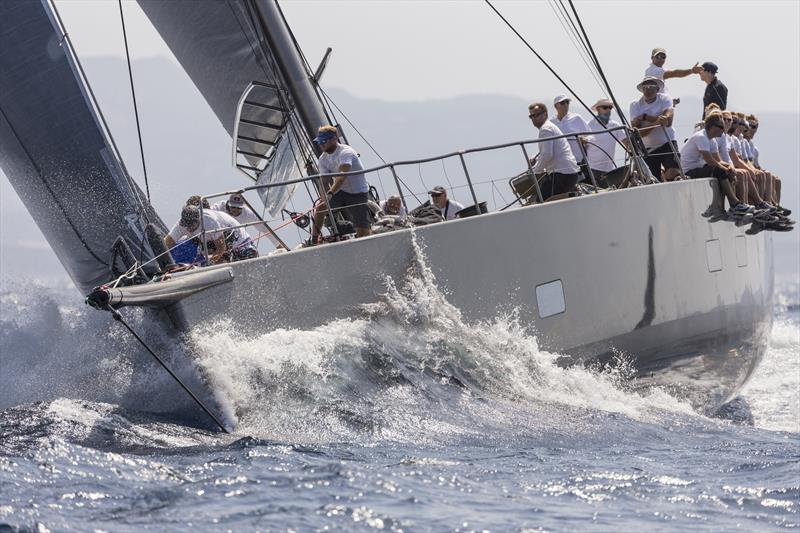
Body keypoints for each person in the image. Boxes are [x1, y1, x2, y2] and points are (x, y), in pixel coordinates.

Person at [680, 115, 752, 217]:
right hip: (688, 171)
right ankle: (734, 204)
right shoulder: (701, 137)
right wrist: (727, 170)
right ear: (713, 127)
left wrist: (730, 168)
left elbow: (718, 160)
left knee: (724, 171)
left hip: (699, 167)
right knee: (721, 171)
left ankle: (721, 208)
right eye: (721, 127)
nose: (724, 130)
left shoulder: (712, 140)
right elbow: (710, 161)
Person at [309, 125, 372, 242]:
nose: (321, 145)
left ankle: (366, 241)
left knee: (362, 230)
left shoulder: (346, 152)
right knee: (321, 208)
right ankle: (313, 240)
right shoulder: (323, 159)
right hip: (340, 191)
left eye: (324, 141)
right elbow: (324, 181)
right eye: (319, 142)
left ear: (334, 139)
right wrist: (324, 197)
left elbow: (341, 176)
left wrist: (330, 193)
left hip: (357, 193)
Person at [629, 76, 681, 181]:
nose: (648, 90)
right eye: (645, 87)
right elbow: (638, 133)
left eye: (651, 87)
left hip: (667, 142)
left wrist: (645, 117)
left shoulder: (665, 99)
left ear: (657, 89)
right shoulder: (635, 105)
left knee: (673, 173)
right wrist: (657, 121)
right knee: (652, 179)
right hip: (647, 148)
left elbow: (668, 121)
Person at [164, 205, 257, 263]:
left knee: (222, 258)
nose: (189, 228)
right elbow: (166, 243)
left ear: (198, 220)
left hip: (238, 240)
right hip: (210, 240)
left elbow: (221, 248)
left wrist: (210, 264)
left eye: (191, 225)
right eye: (186, 226)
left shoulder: (209, 222)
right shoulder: (181, 225)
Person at [528, 102, 581, 200]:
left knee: (541, 199)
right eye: (531, 116)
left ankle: (574, 195)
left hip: (561, 174)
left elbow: (547, 154)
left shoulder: (545, 129)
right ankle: (572, 195)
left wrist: (536, 171)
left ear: (545, 114)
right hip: (569, 172)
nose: (534, 118)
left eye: (537, 114)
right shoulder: (550, 127)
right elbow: (548, 151)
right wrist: (537, 160)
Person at [212, 193, 280, 248]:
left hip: (237, 240)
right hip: (217, 238)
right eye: (233, 207)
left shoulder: (248, 213)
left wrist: (278, 245)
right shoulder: (218, 208)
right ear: (228, 204)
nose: (235, 209)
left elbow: (264, 229)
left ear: (243, 206)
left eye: (238, 207)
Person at [584, 98, 627, 186]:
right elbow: (582, 144)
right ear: (598, 109)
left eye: (610, 108)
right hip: (591, 169)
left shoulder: (615, 125)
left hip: (608, 170)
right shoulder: (588, 125)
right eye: (605, 107)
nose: (608, 110)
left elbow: (627, 143)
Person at [550, 95, 590, 180]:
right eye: (562, 103)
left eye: (567, 102)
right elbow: (547, 143)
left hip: (578, 160)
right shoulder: (551, 122)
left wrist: (585, 139)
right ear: (555, 106)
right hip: (560, 164)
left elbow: (590, 135)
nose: (565, 105)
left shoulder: (576, 118)